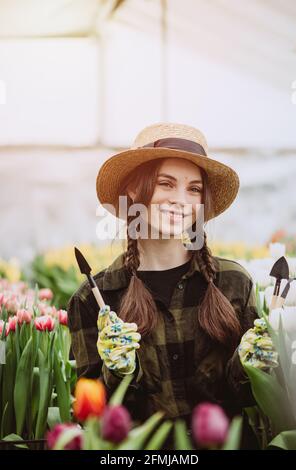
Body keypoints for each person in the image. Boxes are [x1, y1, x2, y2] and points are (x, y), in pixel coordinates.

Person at [67, 122, 278, 449]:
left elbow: (252, 401)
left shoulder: (233, 283)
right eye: (166, 183)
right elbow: (91, 417)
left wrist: (252, 367)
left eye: (194, 189)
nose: (181, 200)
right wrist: (117, 371)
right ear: (134, 192)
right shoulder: (95, 298)